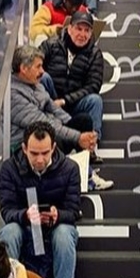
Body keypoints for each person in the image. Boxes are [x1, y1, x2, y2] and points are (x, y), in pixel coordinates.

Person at [0, 122, 81, 278]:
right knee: (8, 233)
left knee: (65, 234)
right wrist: (25, 215)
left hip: (55, 230)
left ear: (53, 148)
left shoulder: (70, 169)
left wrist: (57, 215)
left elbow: (73, 212)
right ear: (24, 148)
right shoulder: (9, 168)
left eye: (45, 153)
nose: (40, 159)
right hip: (25, 229)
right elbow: (7, 210)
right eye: (34, 153)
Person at [9, 45, 112, 189]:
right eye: (38, 67)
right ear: (24, 68)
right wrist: (77, 137)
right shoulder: (13, 94)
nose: (42, 71)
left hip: (45, 132)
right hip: (26, 144)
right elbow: (42, 123)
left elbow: (53, 108)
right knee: (62, 135)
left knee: (82, 121)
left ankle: (85, 173)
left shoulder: (35, 85)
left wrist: (77, 129)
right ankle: (83, 176)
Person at [40, 10, 104, 163]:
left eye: (87, 30)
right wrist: (51, 101)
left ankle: (91, 146)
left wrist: (65, 101)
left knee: (95, 100)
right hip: (50, 98)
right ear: (69, 29)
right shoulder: (51, 44)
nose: (82, 34)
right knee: (43, 77)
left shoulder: (95, 53)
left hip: (73, 104)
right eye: (78, 29)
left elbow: (93, 85)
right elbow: (34, 66)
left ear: (90, 34)